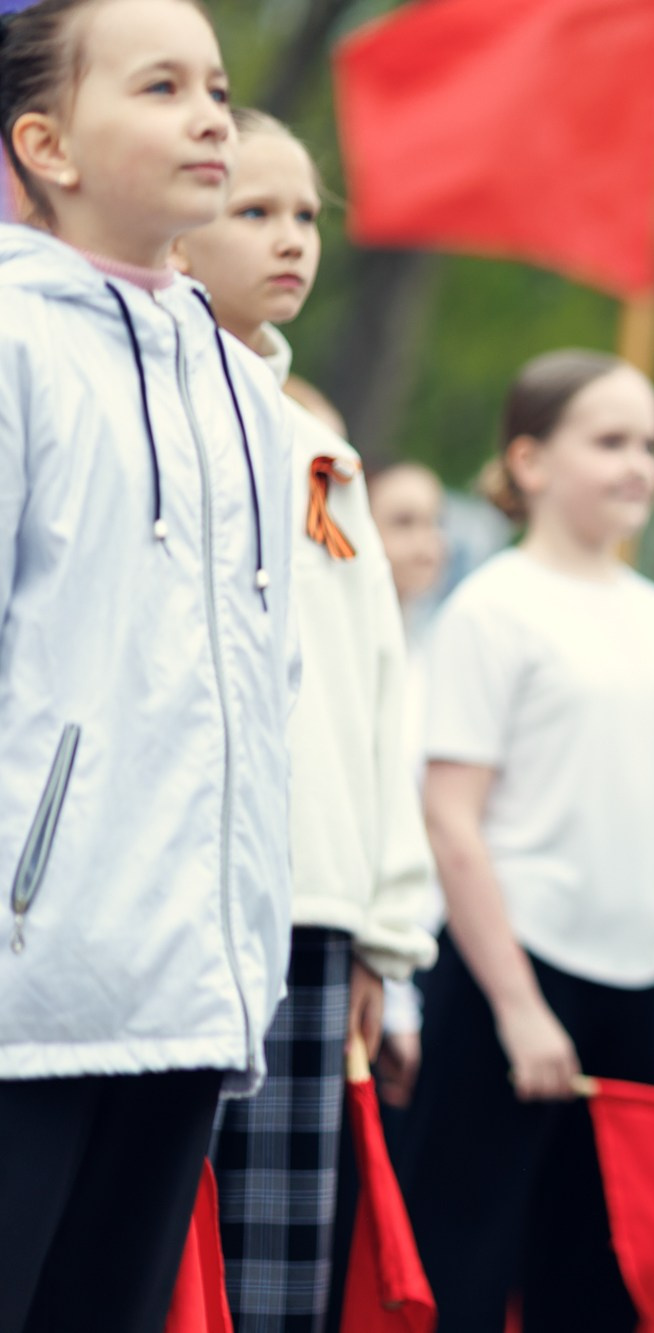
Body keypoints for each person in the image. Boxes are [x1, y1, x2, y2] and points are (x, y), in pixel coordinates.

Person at [0, 2, 298, 1327]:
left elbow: (270, 687)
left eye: (217, 88)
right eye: (160, 87)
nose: (209, 117)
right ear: (47, 144)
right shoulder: (13, 344)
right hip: (28, 984)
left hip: (192, 987)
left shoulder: (245, 391)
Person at [172, 107, 436, 1333]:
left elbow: (375, 692)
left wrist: (382, 928)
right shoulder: (138, 412)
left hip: (307, 911)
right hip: (166, 900)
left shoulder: (320, 450)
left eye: (307, 215)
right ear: (178, 226)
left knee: (275, 1278)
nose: (291, 239)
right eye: (253, 211)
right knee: (135, 1256)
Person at [399, 350, 654, 1331]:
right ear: (528, 460)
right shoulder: (493, 607)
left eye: (649, 443)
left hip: (642, 983)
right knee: (465, 1267)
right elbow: (452, 819)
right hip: (513, 976)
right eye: (609, 441)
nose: (638, 465)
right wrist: (520, 1009)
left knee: (603, 1281)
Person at [368, 458, 448, 1107]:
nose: (426, 542)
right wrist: (394, 996)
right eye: (403, 522)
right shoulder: (360, 665)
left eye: (434, 521)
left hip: (431, 950)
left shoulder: (428, 655)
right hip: (377, 963)